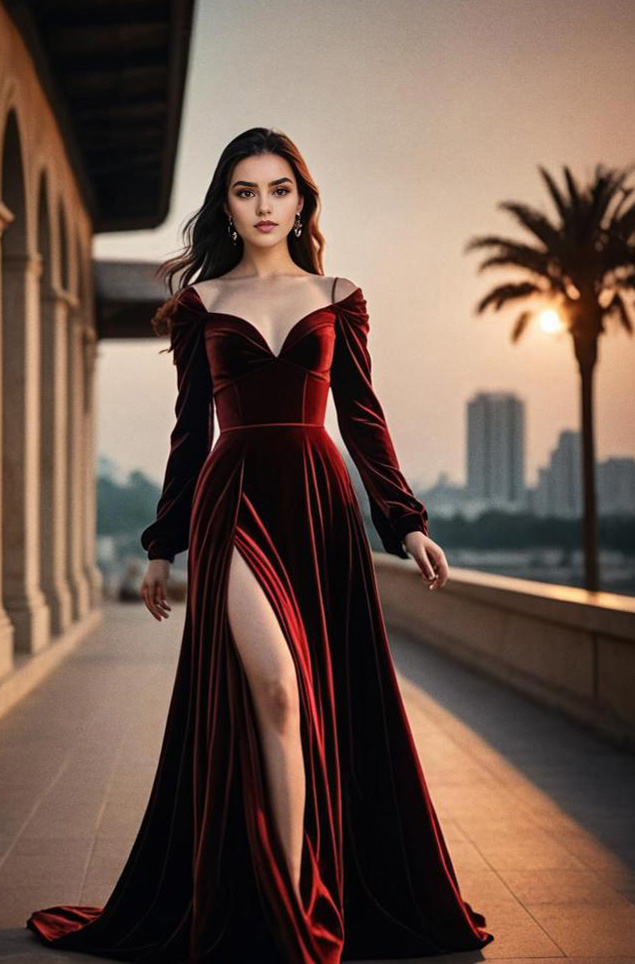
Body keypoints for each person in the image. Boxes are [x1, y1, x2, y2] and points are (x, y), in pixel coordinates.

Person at [27, 127, 493, 963]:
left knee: (322, 695)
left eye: (279, 189)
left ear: (302, 200)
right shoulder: (202, 304)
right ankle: (291, 912)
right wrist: (162, 546)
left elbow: (361, 418)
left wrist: (406, 520)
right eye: (245, 191)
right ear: (226, 205)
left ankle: (303, 890)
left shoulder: (339, 295)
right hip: (232, 498)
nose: (264, 206)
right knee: (276, 691)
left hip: (317, 500)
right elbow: (186, 433)